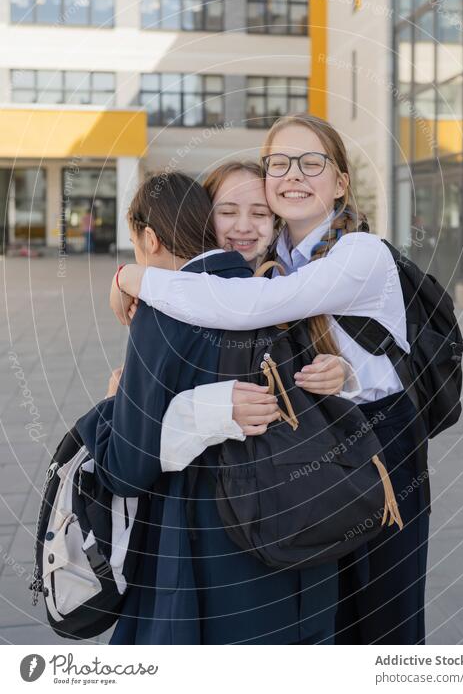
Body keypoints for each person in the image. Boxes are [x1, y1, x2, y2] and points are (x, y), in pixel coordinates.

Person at [111, 114, 431, 645]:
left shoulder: (355, 255)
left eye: (313, 162)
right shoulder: (272, 259)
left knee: (383, 622)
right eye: (279, 163)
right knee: (337, 618)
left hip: (380, 452)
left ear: (341, 182)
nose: (294, 175)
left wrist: (134, 275)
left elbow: (262, 305)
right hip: (297, 475)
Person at [77, 169, 346, 644]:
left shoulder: (163, 309)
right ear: (206, 219)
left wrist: (113, 407)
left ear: (150, 237)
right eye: (228, 211)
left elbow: (123, 469)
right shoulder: (285, 292)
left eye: (259, 212)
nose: (243, 225)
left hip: (208, 549)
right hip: (298, 539)